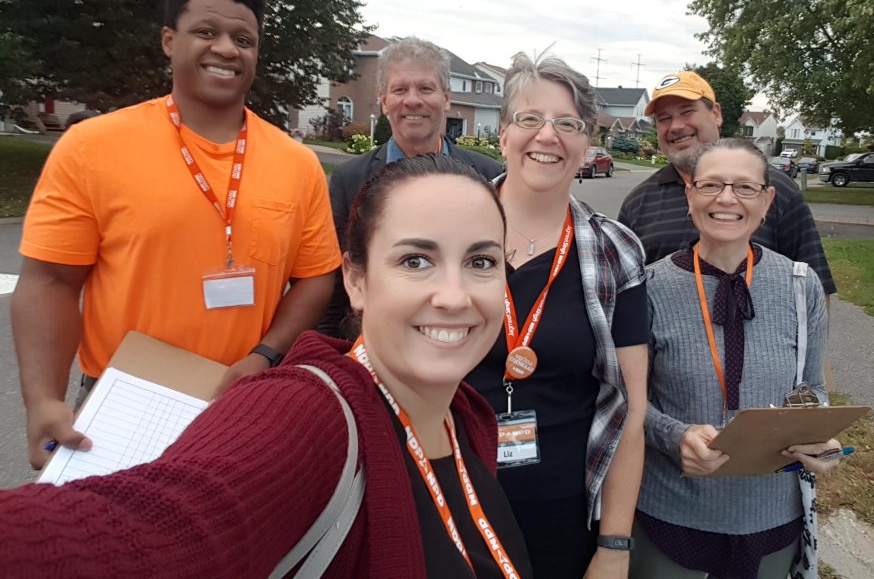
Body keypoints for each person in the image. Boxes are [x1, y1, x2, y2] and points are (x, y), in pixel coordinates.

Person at [0, 155, 533, 579]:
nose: (454, 296)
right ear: (357, 281)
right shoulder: (305, 415)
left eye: (480, 262)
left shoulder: (464, 416)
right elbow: (151, 529)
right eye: (415, 261)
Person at [12, 0, 341, 470]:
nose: (227, 48)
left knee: (237, 547)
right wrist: (44, 400)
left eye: (243, 38)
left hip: (240, 399)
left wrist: (266, 355)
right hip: (120, 401)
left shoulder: (297, 164)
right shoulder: (94, 147)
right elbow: (51, 281)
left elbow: (316, 275)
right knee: (111, 543)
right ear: (169, 40)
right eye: (206, 32)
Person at [464, 53, 649, 579]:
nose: (548, 135)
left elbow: (630, 410)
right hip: (445, 493)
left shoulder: (617, 252)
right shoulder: (449, 228)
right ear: (503, 135)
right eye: (530, 119)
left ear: (587, 144)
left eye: (567, 124)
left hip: (563, 515)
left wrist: (614, 545)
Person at [632, 139, 841, 579]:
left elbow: (811, 389)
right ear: (690, 195)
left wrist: (820, 437)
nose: (726, 199)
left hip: (771, 514)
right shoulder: (648, 289)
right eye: (711, 185)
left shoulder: (801, 287)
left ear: (767, 201)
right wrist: (675, 436)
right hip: (672, 509)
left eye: (745, 188)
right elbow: (625, 400)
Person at [320, 37, 503, 337]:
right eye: (400, 89)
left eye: (426, 88)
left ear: (446, 97)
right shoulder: (349, 181)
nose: (413, 100)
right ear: (384, 100)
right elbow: (335, 288)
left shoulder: (488, 177)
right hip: (376, 347)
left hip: (461, 338)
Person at [617, 71, 836, 296]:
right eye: (664, 118)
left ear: (716, 114)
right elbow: (624, 297)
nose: (675, 126)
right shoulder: (638, 203)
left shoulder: (773, 189)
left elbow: (814, 290)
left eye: (687, 111)